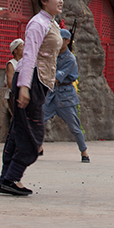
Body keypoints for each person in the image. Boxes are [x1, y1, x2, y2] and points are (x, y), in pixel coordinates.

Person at [0, 0, 63, 196]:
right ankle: (11, 177)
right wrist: (24, 87)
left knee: (17, 133)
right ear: (44, 1)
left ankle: (6, 179)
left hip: (39, 82)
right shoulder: (38, 23)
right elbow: (29, 56)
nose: (60, 1)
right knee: (33, 135)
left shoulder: (50, 23)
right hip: (30, 81)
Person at [42, 29, 89, 162]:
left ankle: (84, 152)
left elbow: (57, 77)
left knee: (74, 126)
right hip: (52, 94)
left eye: (60, 39)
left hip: (66, 96)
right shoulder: (53, 54)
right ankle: (38, 147)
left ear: (67, 41)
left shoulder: (70, 59)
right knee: (39, 119)